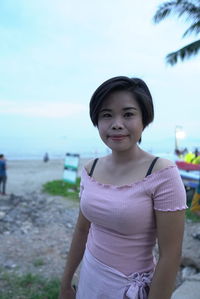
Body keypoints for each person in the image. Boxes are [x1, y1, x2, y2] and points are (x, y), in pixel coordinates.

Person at [59, 76, 187, 299]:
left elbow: (170, 254)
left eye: (128, 114)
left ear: (143, 119)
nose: (117, 123)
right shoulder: (91, 168)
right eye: (106, 115)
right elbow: (82, 230)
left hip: (127, 289)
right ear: (97, 121)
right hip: (90, 277)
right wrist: (66, 282)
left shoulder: (162, 174)